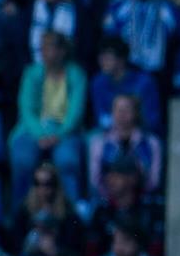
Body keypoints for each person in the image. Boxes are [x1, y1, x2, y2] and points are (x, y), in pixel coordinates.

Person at [8, 31, 87, 204]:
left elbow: (76, 112)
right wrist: (40, 134)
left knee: (67, 161)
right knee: (23, 160)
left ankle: (71, 213)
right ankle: (20, 212)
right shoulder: (31, 73)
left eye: (49, 48)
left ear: (62, 51)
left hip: (65, 131)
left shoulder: (76, 74)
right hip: (33, 129)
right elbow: (26, 109)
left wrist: (58, 134)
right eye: (42, 49)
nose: (44, 53)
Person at [87, 94, 163, 200]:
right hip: (108, 198)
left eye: (126, 109)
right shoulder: (99, 142)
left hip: (141, 197)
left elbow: (154, 180)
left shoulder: (151, 142)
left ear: (136, 113)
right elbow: (95, 180)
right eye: (117, 110)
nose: (121, 114)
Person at [9, 162, 84, 256]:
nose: (42, 188)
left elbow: (74, 246)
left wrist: (56, 251)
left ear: (55, 185)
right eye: (37, 183)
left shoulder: (68, 212)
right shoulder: (24, 210)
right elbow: (15, 242)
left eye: (47, 184)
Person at [90, 36, 161, 133]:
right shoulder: (98, 82)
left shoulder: (144, 82)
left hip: (141, 132)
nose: (102, 62)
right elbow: (101, 117)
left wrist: (130, 130)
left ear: (121, 59)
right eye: (101, 58)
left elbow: (152, 119)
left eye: (107, 58)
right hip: (110, 133)